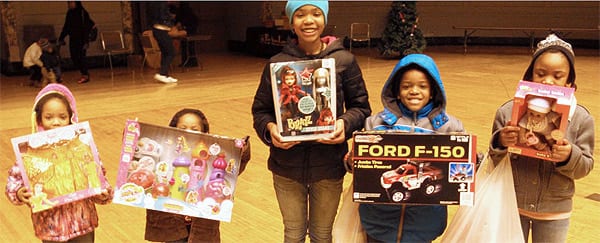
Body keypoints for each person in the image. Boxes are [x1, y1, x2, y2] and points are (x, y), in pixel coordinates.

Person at [251, 1, 371, 242]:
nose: (308, 20)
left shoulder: (344, 60)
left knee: (322, 235)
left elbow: (361, 108)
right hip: (286, 166)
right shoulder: (276, 64)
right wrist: (271, 129)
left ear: (324, 19)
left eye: (316, 13)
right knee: (293, 234)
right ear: (291, 22)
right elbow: (261, 111)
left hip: (328, 165)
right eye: (300, 15)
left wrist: (344, 124)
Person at [489, 34, 595, 242]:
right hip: (512, 203)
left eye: (557, 76)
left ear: (569, 84)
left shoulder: (581, 119)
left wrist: (568, 156)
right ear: (529, 77)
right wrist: (501, 142)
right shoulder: (507, 112)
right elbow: (493, 160)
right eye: (540, 73)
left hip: (554, 210)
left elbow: (585, 166)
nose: (548, 80)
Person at [350, 53, 464, 242]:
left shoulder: (448, 127)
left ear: (434, 91)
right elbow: (362, 167)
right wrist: (352, 160)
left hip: (424, 224)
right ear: (396, 91)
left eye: (422, 86)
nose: (414, 91)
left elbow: (465, 167)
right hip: (379, 222)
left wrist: (472, 160)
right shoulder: (375, 123)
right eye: (406, 86)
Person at [5, 83, 113, 242]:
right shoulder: (30, 152)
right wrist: (19, 193)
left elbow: (99, 177)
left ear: (71, 118)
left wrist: (103, 193)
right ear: (39, 120)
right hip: (50, 227)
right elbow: (13, 181)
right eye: (49, 117)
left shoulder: (82, 147)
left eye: (62, 117)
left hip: (82, 225)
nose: (56, 122)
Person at [145, 108, 251, 243]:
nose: (188, 132)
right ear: (173, 131)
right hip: (172, 225)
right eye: (183, 128)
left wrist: (242, 150)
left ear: (205, 133)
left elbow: (233, 168)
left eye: (194, 129)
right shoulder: (166, 155)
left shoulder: (213, 157)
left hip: (203, 227)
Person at [58, 1, 95, 84]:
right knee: (74, 57)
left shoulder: (82, 12)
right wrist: (61, 38)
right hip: (73, 39)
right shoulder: (69, 13)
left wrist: (86, 41)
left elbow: (86, 28)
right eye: (69, 3)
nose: (70, 4)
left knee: (81, 57)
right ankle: (84, 73)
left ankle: (85, 75)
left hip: (82, 40)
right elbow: (66, 26)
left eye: (72, 2)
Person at [147, 1, 178, 84]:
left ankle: (165, 75)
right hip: (161, 30)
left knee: (165, 53)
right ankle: (162, 73)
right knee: (171, 52)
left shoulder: (155, 3)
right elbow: (163, 17)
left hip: (158, 30)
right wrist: (171, 19)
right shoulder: (161, 3)